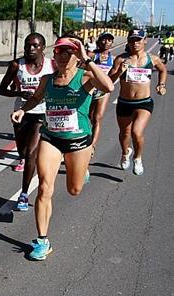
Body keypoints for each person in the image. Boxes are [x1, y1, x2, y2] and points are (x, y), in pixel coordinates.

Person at [11, 35, 114, 260]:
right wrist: (23, 110)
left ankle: (82, 167)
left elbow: (109, 86)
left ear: (77, 55)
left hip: (78, 141)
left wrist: (87, 60)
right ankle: (42, 241)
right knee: (45, 188)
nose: (63, 56)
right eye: (59, 51)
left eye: (69, 51)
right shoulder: (47, 80)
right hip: (51, 138)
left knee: (74, 190)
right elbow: (37, 98)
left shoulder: (86, 76)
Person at [0, 32, 54, 211]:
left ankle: (23, 194)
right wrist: (19, 93)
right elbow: (2, 90)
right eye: (27, 45)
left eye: (35, 45)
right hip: (21, 113)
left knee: (31, 153)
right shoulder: (17, 65)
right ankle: (26, 161)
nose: (30, 49)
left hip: (42, 113)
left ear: (43, 48)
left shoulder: (51, 65)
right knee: (22, 151)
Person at [108, 29, 167, 176]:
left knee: (136, 132)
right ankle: (125, 152)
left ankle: (138, 158)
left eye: (138, 40)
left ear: (145, 41)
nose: (135, 43)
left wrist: (161, 84)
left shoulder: (152, 59)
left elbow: (162, 70)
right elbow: (110, 81)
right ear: (128, 42)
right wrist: (120, 71)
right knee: (124, 133)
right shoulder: (121, 59)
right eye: (132, 40)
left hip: (144, 102)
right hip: (124, 102)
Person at [87, 31, 115, 155]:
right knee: (89, 117)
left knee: (98, 118)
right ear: (99, 42)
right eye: (104, 39)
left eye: (109, 40)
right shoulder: (92, 56)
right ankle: (86, 138)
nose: (106, 42)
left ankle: (92, 146)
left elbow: (114, 76)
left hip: (103, 92)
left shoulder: (114, 59)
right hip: (90, 90)